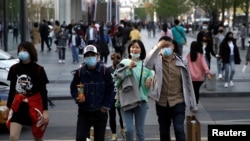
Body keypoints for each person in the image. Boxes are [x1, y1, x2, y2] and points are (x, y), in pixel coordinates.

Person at [144, 36, 197, 141]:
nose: (165, 48)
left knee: (179, 129)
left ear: (173, 46)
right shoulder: (156, 61)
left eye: (167, 45)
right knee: (164, 131)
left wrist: (193, 104)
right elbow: (147, 64)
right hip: (162, 102)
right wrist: (157, 47)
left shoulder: (182, 61)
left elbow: (188, 83)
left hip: (178, 101)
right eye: (163, 46)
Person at [6, 41, 49, 141]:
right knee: (13, 137)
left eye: (24, 50)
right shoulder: (14, 69)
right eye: (20, 50)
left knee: (38, 137)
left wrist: (45, 111)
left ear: (31, 52)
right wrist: (9, 107)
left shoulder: (39, 70)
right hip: (18, 106)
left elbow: (43, 92)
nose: (22, 52)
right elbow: (12, 90)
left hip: (34, 106)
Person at [70, 45, 114, 141]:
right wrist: (77, 97)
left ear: (97, 56)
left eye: (92, 55)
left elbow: (110, 89)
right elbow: (73, 87)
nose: (90, 57)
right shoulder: (80, 72)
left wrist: (105, 106)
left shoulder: (104, 71)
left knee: (99, 138)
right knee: (80, 138)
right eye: (87, 55)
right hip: (84, 112)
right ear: (84, 57)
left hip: (100, 112)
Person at [113, 39, 155, 141]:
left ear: (141, 50)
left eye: (137, 47)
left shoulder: (145, 64)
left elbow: (151, 72)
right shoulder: (124, 62)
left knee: (140, 131)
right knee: (129, 130)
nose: (134, 49)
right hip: (126, 100)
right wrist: (128, 70)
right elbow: (117, 80)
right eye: (132, 47)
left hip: (141, 100)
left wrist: (150, 78)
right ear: (129, 49)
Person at [108, 53, 125, 140]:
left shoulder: (122, 70)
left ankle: (122, 129)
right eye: (114, 58)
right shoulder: (108, 70)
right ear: (111, 60)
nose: (116, 60)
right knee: (112, 116)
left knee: (122, 115)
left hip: (120, 96)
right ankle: (114, 133)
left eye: (118, 58)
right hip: (111, 97)